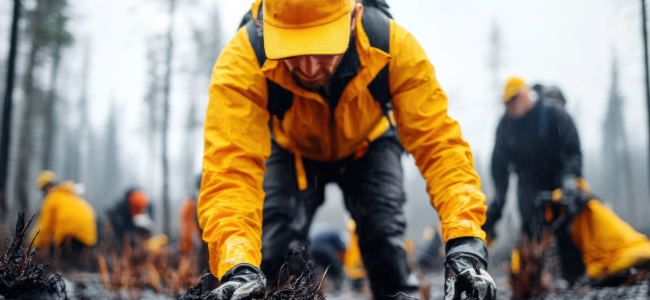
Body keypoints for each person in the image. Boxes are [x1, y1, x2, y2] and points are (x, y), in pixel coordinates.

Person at [198, 0, 496, 299]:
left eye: (324, 46)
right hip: (292, 152)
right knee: (274, 250)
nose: (310, 68)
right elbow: (230, 170)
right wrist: (237, 265)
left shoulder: (393, 46)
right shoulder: (242, 59)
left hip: (370, 145)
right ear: (265, 28)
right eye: (290, 50)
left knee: (384, 243)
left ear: (355, 17)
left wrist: (466, 245)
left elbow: (441, 148)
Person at [483, 77, 650, 284]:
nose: (509, 106)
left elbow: (573, 151)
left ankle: (582, 274)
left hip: (560, 177)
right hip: (528, 184)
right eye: (505, 102)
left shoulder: (553, 113)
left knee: (571, 222)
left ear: (525, 94)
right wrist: (495, 209)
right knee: (530, 232)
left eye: (512, 100)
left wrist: (570, 181)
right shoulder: (506, 126)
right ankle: (526, 282)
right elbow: (499, 169)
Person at [31, 171, 97, 270]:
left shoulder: (52, 197)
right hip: (89, 237)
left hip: (69, 235)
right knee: (76, 262)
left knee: (59, 257)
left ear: (46, 188)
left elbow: (44, 226)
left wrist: (32, 244)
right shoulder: (70, 195)